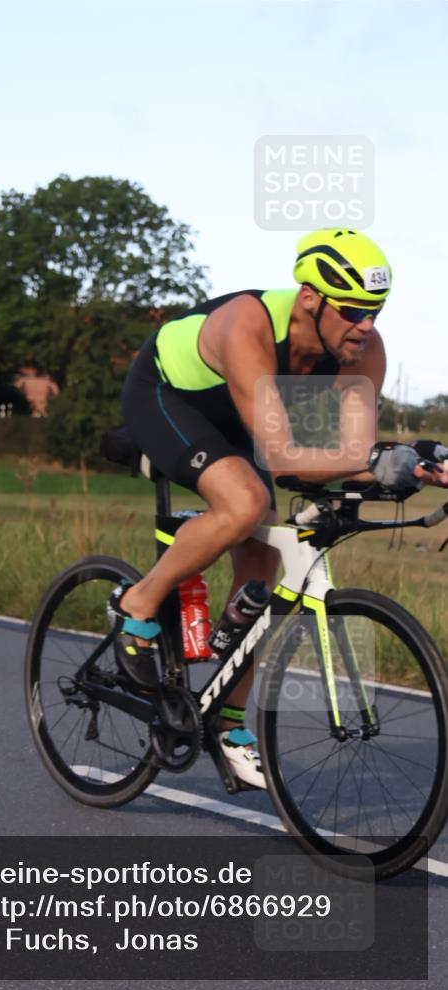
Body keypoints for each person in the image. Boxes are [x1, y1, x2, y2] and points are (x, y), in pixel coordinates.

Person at [108, 228, 448, 789]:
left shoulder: (364, 349)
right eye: (354, 311)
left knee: (267, 565)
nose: (366, 325)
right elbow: (288, 458)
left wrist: (412, 461)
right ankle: (137, 604)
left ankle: (229, 721)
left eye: (376, 310)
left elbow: (353, 451)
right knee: (246, 503)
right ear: (310, 299)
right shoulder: (247, 325)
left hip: (243, 416)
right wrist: (375, 458)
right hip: (167, 396)